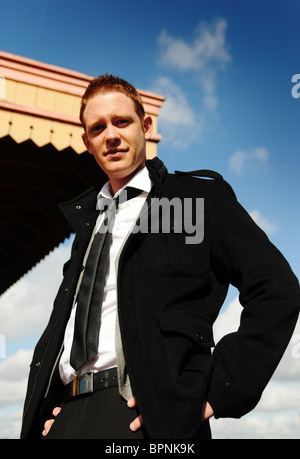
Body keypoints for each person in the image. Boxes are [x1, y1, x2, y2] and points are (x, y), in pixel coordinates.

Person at [20, 74, 299, 440]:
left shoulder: (194, 201)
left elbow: (277, 289)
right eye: (98, 127)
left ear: (145, 126)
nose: (112, 135)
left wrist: (218, 391)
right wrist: (54, 410)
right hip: (66, 415)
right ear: (88, 142)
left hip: (150, 417)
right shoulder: (87, 222)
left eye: (122, 121)